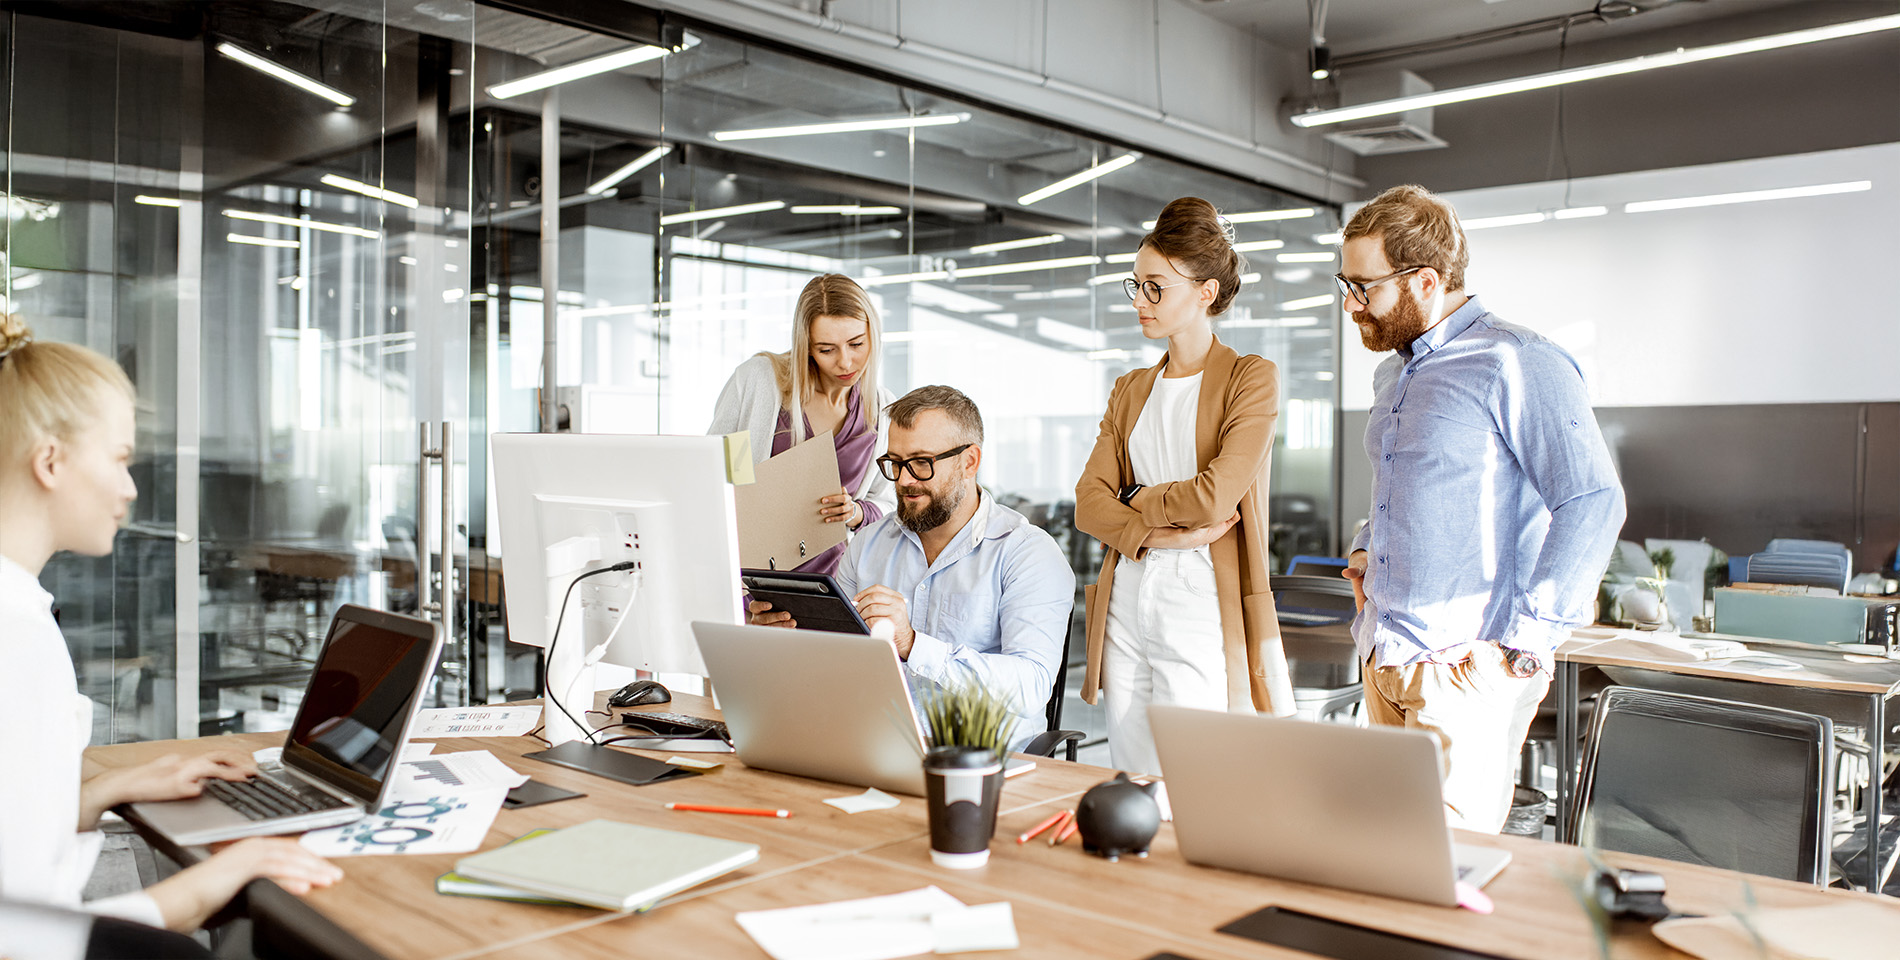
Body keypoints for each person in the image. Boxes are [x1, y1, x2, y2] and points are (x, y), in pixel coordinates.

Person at [0, 315, 343, 954]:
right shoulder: (15, 641)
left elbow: (11, 840)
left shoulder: (17, 614)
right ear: (50, 461)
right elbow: (31, 938)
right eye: (121, 460)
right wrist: (226, 873)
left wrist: (111, 789)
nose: (130, 489)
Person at [1338, 185, 1625, 833]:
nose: (1352, 304)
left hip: (1465, 670)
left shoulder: (1518, 361)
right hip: (1386, 654)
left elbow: (1592, 500)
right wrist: (1364, 546)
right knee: (1383, 854)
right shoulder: (1395, 373)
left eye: (1365, 287)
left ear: (1426, 281)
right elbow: (1409, 487)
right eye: (1345, 284)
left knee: (1445, 868)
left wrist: (1523, 645)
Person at [1074, 197, 1297, 776]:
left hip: (1200, 592)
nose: (1140, 301)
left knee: (1195, 770)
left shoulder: (1251, 377)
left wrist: (1135, 500)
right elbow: (1087, 502)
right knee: (1129, 766)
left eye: (1156, 287)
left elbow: (1215, 497)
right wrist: (1153, 536)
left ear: (1206, 292)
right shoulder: (1129, 388)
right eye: (1136, 285)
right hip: (1130, 583)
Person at [749, 386, 1073, 745]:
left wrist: (912, 643)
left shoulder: (1027, 554)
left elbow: (1031, 687)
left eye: (921, 463)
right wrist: (785, 640)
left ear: (970, 461)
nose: (903, 480)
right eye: (895, 463)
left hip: (983, 763)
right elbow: (839, 668)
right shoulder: (868, 545)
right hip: (877, 748)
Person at [708, 273, 896, 575]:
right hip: (754, 576)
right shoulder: (759, 382)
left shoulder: (881, 410)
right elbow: (717, 475)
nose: (846, 362)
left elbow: (889, 504)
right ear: (806, 346)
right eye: (826, 349)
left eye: (856, 344)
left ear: (873, 335)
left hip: (834, 581)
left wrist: (856, 512)